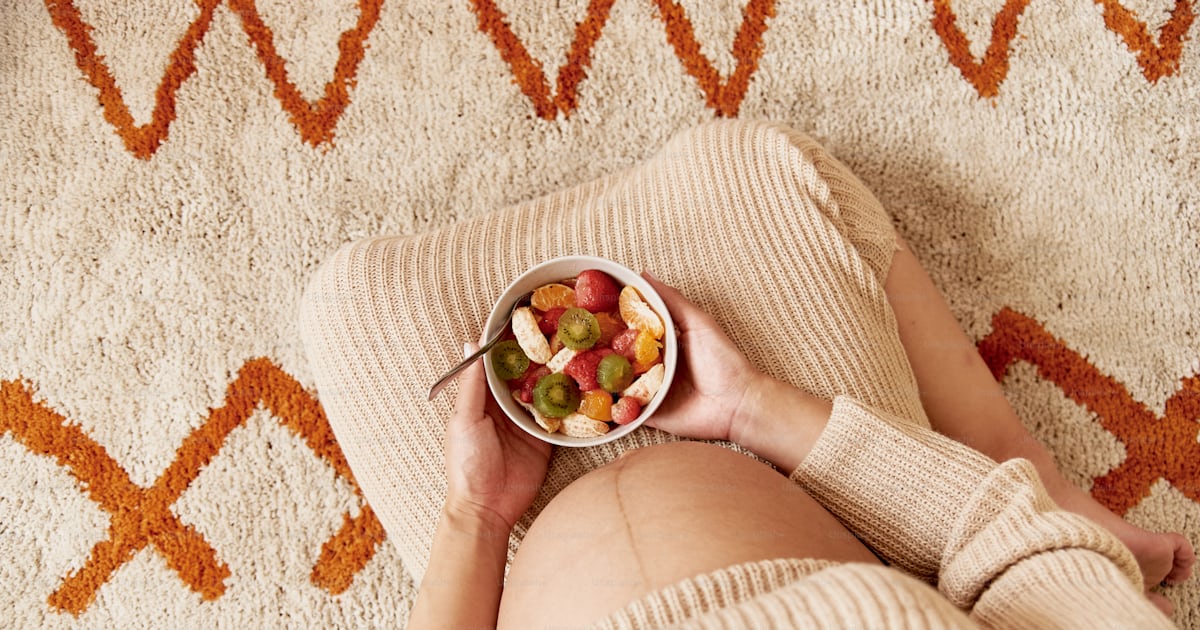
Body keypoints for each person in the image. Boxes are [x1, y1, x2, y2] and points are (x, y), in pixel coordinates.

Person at [298, 120, 1193, 628]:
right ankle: (1028, 468)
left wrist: (475, 517)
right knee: (758, 168)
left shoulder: (489, 510)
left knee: (351, 301)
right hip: (830, 492)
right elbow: (1010, 558)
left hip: (512, 533)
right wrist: (759, 406)